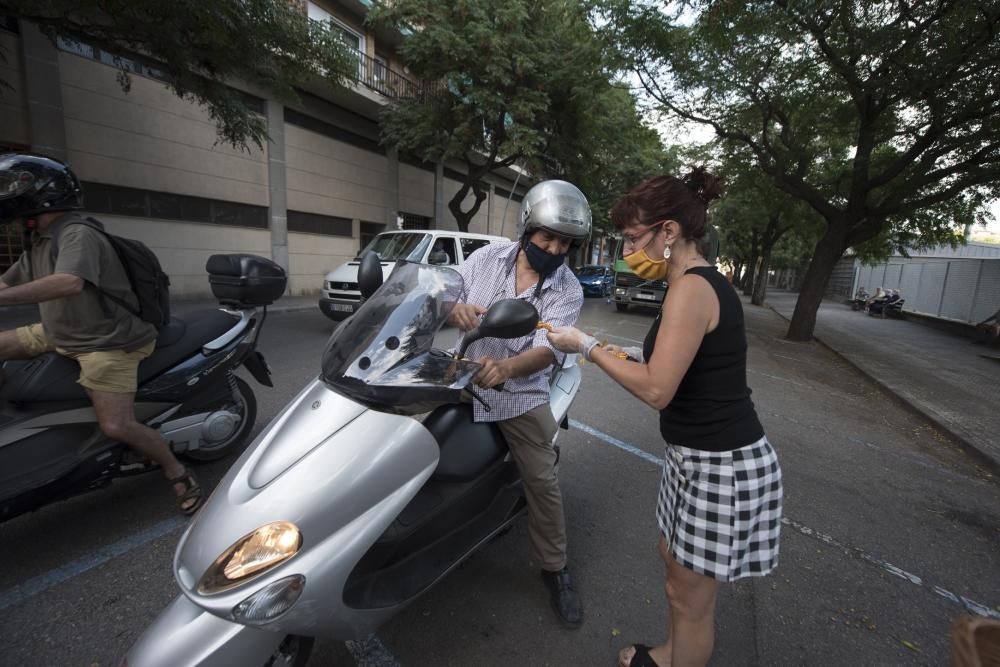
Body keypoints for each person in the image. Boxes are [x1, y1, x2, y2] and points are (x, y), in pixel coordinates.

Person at [547, 169, 783, 667]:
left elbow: (657, 388)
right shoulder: (689, 284)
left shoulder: (692, 289)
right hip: (695, 458)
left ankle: (681, 656)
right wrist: (625, 351)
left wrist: (585, 345)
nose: (628, 249)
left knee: (689, 598)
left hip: (721, 465)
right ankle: (674, 653)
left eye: (634, 238)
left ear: (668, 232)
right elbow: (674, 361)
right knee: (676, 571)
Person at [0, 153, 202, 515]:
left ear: (40, 193)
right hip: (62, 331)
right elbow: (7, 280)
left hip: (107, 342)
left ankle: (176, 471)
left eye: (12, 187)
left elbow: (69, 281)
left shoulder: (78, 233)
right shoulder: (40, 240)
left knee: (116, 425)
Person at [448, 179, 590, 628]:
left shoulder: (567, 289)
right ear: (528, 228)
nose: (554, 248)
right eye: (547, 237)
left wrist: (507, 370)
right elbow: (447, 294)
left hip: (519, 394)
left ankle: (555, 568)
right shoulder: (486, 258)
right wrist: (454, 308)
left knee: (541, 479)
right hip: (461, 371)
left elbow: (550, 350)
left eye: (564, 242)